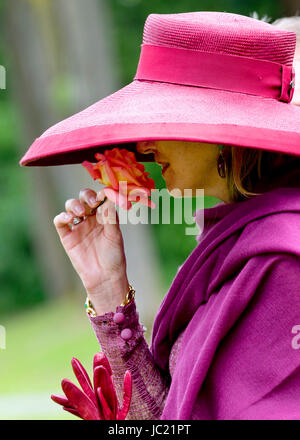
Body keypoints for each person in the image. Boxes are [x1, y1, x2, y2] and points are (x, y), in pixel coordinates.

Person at [20, 12, 300, 419]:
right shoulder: (236, 241)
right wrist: (107, 287)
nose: (145, 144)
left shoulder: (281, 261)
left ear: (223, 134)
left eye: (165, 116)